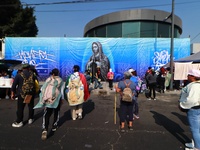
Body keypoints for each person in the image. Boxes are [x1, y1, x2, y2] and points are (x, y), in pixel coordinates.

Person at [34, 68, 65, 140]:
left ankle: (45, 128)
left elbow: (42, 89)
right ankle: (54, 125)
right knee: (56, 112)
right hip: (56, 99)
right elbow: (62, 91)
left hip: (48, 99)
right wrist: (62, 99)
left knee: (47, 113)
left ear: (52, 74)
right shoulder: (60, 80)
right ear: (58, 73)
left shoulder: (48, 79)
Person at [179, 69, 200, 150]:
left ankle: (197, 147)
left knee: (195, 129)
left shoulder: (193, 86)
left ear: (193, 77)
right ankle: (195, 143)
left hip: (193, 109)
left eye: (188, 75)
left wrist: (182, 105)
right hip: (198, 108)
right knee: (197, 128)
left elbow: (192, 100)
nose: (187, 76)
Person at [11, 63, 37, 127]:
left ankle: (19, 121)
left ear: (22, 68)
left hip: (21, 94)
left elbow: (14, 85)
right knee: (31, 106)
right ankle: (30, 118)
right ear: (29, 68)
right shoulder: (33, 75)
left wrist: (12, 93)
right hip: (30, 93)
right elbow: (36, 84)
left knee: (20, 108)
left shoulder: (19, 75)